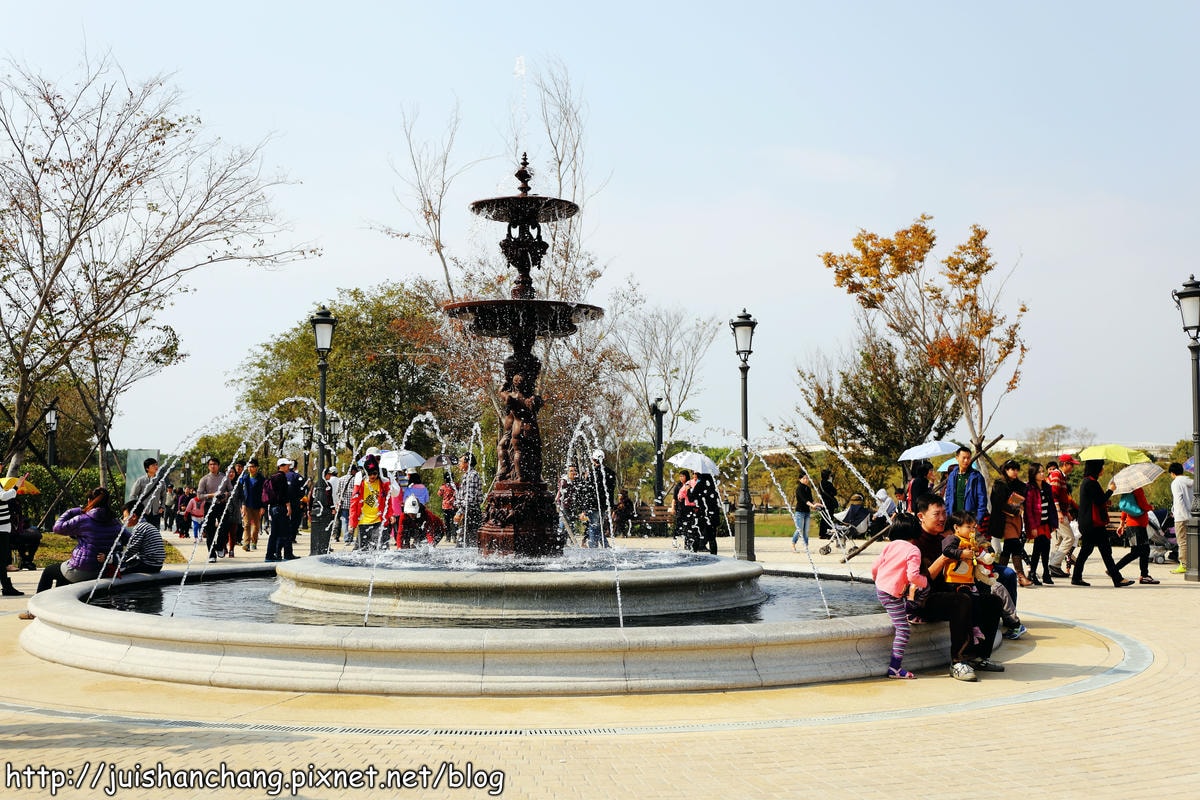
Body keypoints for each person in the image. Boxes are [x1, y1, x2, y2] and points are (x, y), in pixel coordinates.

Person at [911, 493, 1005, 681]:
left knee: (992, 601)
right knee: (961, 601)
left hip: (949, 593)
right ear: (921, 516)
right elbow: (920, 580)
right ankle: (959, 661)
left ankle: (979, 656)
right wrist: (946, 557)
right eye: (936, 514)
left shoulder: (944, 539)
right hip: (925, 599)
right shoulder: (915, 543)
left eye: (944, 513)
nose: (942, 518)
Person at [28, 487, 123, 598]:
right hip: (101, 570)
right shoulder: (115, 522)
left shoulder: (83, 519)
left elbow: (57, 528)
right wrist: (111, 557)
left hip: (81, 569)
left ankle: (35, 609)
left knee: (49, 572)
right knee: (62, 575)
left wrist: (74, 510)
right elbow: (129, 539)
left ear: (89, 500)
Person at [870, 513, 927, 679]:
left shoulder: (891, 545)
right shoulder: (913, 550)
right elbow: (913, 576)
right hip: (891, 593)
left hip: (882, 588)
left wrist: (878, 579)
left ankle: (910, 611)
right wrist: (924, 582)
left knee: (908, 596)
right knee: (903, 630)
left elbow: (875, 567)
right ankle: (895, 668)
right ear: (916, 530)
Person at [1071, 460, 1134, 587]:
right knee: (1105, 551)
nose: (1103, 469)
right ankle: (1117, 579)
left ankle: (1076, 577)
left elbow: (1095, 501)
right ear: (1096, 469)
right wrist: (1110, 490)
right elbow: (1100, 500)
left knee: (1086, 550)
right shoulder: (1091, 483)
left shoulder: (1087, 482)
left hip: (1088, 523)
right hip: (1093, 524)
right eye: (1101, 467)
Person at [989, 459, 1032, 587]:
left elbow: (1025, 501)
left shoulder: (1020, 485)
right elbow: (997, 503)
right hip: (1004, 519)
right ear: (1006, 470)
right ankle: (1021, 575)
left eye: (1016, 469)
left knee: (1009, 547)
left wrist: (1020, 507)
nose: (1015, 472)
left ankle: (999, 574)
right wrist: (1013, 508)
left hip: (1017, 519)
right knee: (1014, 543)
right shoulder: (999, 484)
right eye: (1012, 469)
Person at [1114, 485, 1159, 584]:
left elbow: (1125, 508)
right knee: (1137, 551)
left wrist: (1122, 524)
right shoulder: (1138, 490)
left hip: (1131, 526)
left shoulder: (1127, 491)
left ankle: (1144, 575)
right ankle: (1114, 569)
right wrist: (1151, 507)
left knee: (1143, 550)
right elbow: (1143, 505)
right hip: (1138, 526)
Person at [1024, 463, 1059, 585]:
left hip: (1046, 523)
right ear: (1033, 474)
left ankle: (1046, 574)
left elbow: (1051, 506)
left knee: (1046, 548)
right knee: (1037, 550)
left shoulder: (1047, 487)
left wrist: (1054, 522)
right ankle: (1032, 574)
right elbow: (1028, 510)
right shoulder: (1029, 488)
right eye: (1039, 472)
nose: (1043, 474)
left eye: (1043, 471)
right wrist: (1032, 527)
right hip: (1036, 524)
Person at [350, 454, 392, 551]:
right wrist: (352, 523)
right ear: (366, 473)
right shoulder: (360, 485)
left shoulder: (383, 484)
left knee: (382, 549)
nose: (372, 476)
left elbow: (388, 500)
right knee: (363, 550)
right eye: (370, 474)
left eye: (375, 473)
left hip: (379, 521)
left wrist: (390, 515)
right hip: (363, 521)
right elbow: (354, 504)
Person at [1046, 455, 1080, 577]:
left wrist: (1066, 513)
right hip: (1056, 512)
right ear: (1065, 464)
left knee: (1059, 540)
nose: (1072, 468)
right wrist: (1059, 512)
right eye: (1071, 465)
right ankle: (1054, 564)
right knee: (1069, 538)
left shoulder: (1061, 476)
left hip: (1059, 512)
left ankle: (1055, 567)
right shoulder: (1057, 475)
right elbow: (1053, 495)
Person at [116, 501, 166, 575]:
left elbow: (132, 549)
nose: (123, 519)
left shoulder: (139, 527)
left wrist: (119, 560)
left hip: (148, 564)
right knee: (127, 564)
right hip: (157, 564)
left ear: (134, 516)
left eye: (125, 516)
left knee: (121, 570)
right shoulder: (147, 525)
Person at [263, 458, 297, 562]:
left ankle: (271, 555)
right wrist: (288, 506)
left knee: (275, 533)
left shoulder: (273, 477)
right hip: (280, 507)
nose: (288, 467)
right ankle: (286, 554)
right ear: (281, 466)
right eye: (286, 465)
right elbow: (283, 494)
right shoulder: (281, 477)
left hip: (273, 508)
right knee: (285, 532)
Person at [943, 446, 988, 525]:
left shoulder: (976, 476)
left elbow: (982, 500)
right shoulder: (952, 475)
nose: (966, 460)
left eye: (968, 458)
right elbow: (948, 496)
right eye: (964, 458)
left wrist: (978, 519)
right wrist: (948, 515)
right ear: (957, 458)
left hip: (970, 518)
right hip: (954, 517)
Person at [0, 475, 27, 596]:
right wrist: (16, 487)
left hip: (3, 527)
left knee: (2, 560)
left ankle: (7, 586)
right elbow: (3, 496)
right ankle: (7, 587)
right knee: (2, 559)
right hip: (1, 528)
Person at [687, 472, 721, 554]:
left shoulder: (700, 484)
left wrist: (688, 489)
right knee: (712, 537)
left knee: (697, 534)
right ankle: (714, 555)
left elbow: (691, 498)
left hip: (702, 514)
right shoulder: (712, 485)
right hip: (713, 514)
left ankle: (693, 553)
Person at [129, 457, 167, 530]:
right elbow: (133, 495)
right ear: (147, 468)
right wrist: (137, 509)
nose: (156, 467)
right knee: (142, 533)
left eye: (156, 465)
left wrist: (162, 507)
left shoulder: (161, 481)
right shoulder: (141, 481)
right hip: (143, 514)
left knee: (155, 534)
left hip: (156, 513)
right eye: (153, 465)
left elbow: (164, 495)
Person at [454, 453, 483, 548]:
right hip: (467, 513)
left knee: (467, 543)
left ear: (467, 463)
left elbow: (470, 498)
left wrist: (460, 512)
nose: (458, 464)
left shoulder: (472, 475)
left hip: (471, 513)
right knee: (465, 543)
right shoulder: (466, 475)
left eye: (460, 461)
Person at [1169, 461, 1192, 574]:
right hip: (1193, 515)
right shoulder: (1192, 482)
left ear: (1172, 473)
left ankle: (1184, 565)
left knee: (1182, 541)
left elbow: (1179, 501)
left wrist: (1186, 516)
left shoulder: (1176, 483)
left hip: (1181, 517)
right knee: (1192, 541)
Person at [239, 459, 265, 551]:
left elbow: (264, 493)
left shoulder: (262, 479)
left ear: (257, 468)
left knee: (257, 526)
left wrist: (263, 506)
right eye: (249, 466)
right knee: (246, 525)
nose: (250, 468)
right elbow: (240, 492)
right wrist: (242, 505)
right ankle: (246, 543)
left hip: (258, 505)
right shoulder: (244, 478)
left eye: (253, 466)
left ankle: (254, 541)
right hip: (246, 505)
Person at [792, 473, 815, 551]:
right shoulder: (799, 489)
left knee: (806, 530)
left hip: (807, 512)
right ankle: (793, 544)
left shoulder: (808, 489)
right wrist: (812, 505)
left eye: (807, 478)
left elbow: (811, 500)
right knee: (799, 529)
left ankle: (806, 546)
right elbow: (804, 500)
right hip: (800, 512)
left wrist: (816, 505)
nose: (806, 480)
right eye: (804, 478)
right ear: (800, 479)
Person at [668, 470, 691, 547]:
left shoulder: (690, 484)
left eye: (683, 476)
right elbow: (674, 498)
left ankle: (687, 542)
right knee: (678, 524)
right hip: (680, 508)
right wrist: (673, 508)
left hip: (688, 508)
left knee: (688, 525)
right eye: (680, 476)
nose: (681, 478)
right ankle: (674, 540)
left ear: (686, 476)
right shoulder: (678, 486)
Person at [437, 468, 456, 547]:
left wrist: (441, 487)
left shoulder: (443, 487)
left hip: (445, 506)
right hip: (454, 506)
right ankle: (454, 536)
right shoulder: (455, 485)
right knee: (454, 522)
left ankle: (448, 537)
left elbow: (439, 494)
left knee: (447, 522)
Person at [817, 469, 838, 539]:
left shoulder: (820, 483)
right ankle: (828, 533)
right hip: (829, 503)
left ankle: (822, 533)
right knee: (829, 518)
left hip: (823, 502)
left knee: (824, 519)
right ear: (828, 476)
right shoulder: (828, 483)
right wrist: (831, 483)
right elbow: (835, 492)